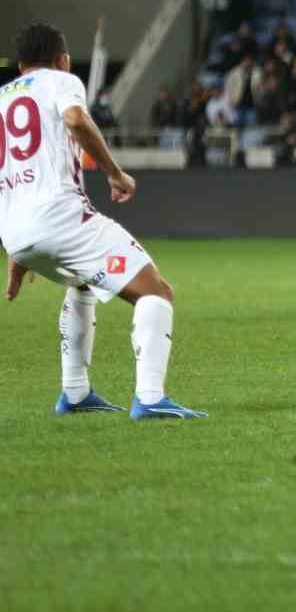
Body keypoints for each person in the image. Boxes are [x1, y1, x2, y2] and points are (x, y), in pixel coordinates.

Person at [1, 22, 206, 419]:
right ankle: (149, 398)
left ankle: (75, 393)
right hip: (59, 218)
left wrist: (17, 250)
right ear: (61, 59)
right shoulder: (62, 81)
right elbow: (77, 119)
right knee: (155, 291)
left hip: (14, 227)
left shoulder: (4, 99)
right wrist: (114, 172)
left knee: (80, 284)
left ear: (21, 63)